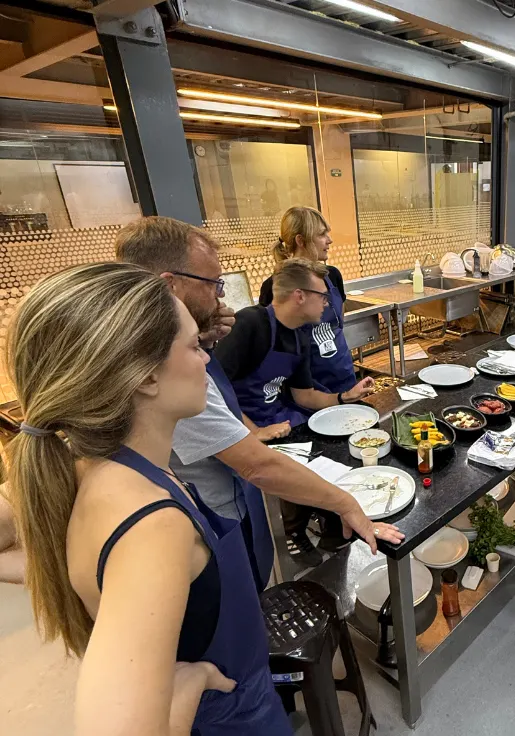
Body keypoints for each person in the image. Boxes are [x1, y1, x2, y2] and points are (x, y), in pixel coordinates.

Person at [4, 262, 328, 736]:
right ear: (145, 378)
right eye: (192, 345)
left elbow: (88, 567)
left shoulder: (100, 469)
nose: (207, 358)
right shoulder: (151, 528)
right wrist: (184, 688)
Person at [115, 218, 401, 581]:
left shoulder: (188, 350)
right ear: (169, 285)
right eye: (213, 283)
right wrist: (346, 503)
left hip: (232, 493)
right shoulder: (162, 370)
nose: (220, 297)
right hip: (209, 518)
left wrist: (202, 340)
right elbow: (256, 464)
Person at [217, 258, 373, 430]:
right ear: (300, 296)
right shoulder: (249, 323)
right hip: (238, 427)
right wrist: (255, 432)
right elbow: (215, 388)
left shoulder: (300, 337)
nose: (327, 303)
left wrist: (344, 397)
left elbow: (305, 396)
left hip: (278, 419)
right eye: (323, 296)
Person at [259, 206, 357, 395]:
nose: (329, 240)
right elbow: (276, 347)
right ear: (300, 240)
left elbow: (339, 324)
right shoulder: (273, 287)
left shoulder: (332, 276)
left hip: (344, 377)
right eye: (321, 234)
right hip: (307, 390)